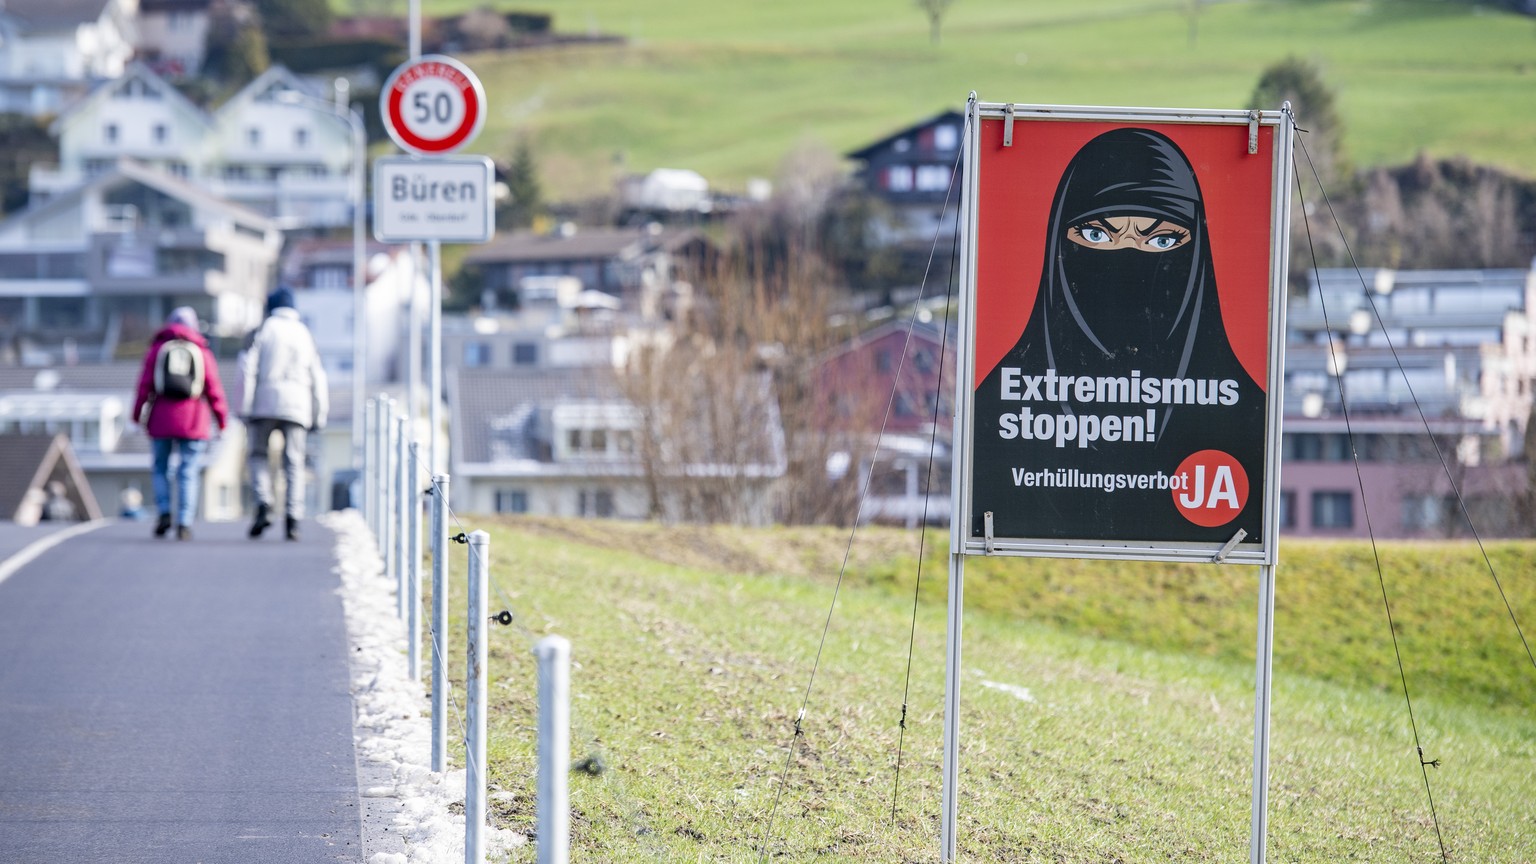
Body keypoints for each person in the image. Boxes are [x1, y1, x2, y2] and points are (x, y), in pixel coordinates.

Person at [970, 127, 1266, 544]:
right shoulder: (999, 406)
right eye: (1096, 234)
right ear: (1060, 239)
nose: (1127, 258)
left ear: (1196, 254)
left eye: (1161, 238)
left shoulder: (1240, 407)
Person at [132, 306, 229, 541]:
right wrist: (222, 420)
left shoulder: (157, 348)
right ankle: (184, 521)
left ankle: (164, 512)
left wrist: (137, 415)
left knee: (161, 467)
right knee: (188, 470)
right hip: (194, 419)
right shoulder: (201, 350)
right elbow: (213, 389)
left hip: (161, 417)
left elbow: (144, 386)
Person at [241, 286, 327, 541]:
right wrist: (318, 414)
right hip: (298, 405)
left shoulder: (263, 330)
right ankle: (292, 519)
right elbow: (317, 376)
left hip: (263, 402)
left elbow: (248, 369)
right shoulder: (304, 333)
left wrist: (244, 408)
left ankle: (264, 503)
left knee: (258, 456)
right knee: (294, 462)